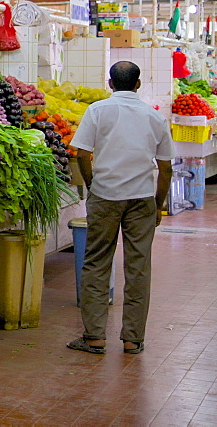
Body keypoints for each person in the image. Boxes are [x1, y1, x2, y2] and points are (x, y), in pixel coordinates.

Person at [66, 61, 173, 355]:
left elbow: (83, 154)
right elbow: (165, 168)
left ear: (110, 83)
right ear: (138, 84)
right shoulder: (155, 118)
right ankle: (132, 339)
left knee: (97, 263)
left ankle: (95, 337)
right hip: (141, 199)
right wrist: (159, 205)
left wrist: (92, 185)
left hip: (105, 195)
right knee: (139, 267)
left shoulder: (97, 111)